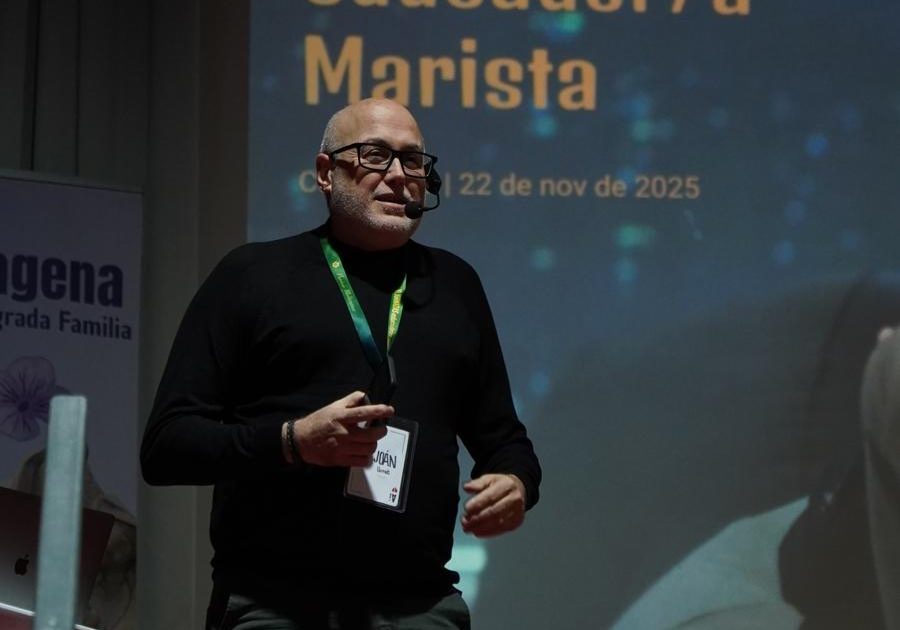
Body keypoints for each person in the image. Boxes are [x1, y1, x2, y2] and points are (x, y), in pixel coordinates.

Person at [141, 98, 541, 629]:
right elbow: (167, 446)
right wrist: (293, 441)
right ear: (326, 173)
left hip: (419, 605)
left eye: (413, 160)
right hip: (275, 603)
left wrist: (515, 483)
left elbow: (504, 439)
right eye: (375, 155)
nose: (399, 175)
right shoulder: (252, 275)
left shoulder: (454, 285)